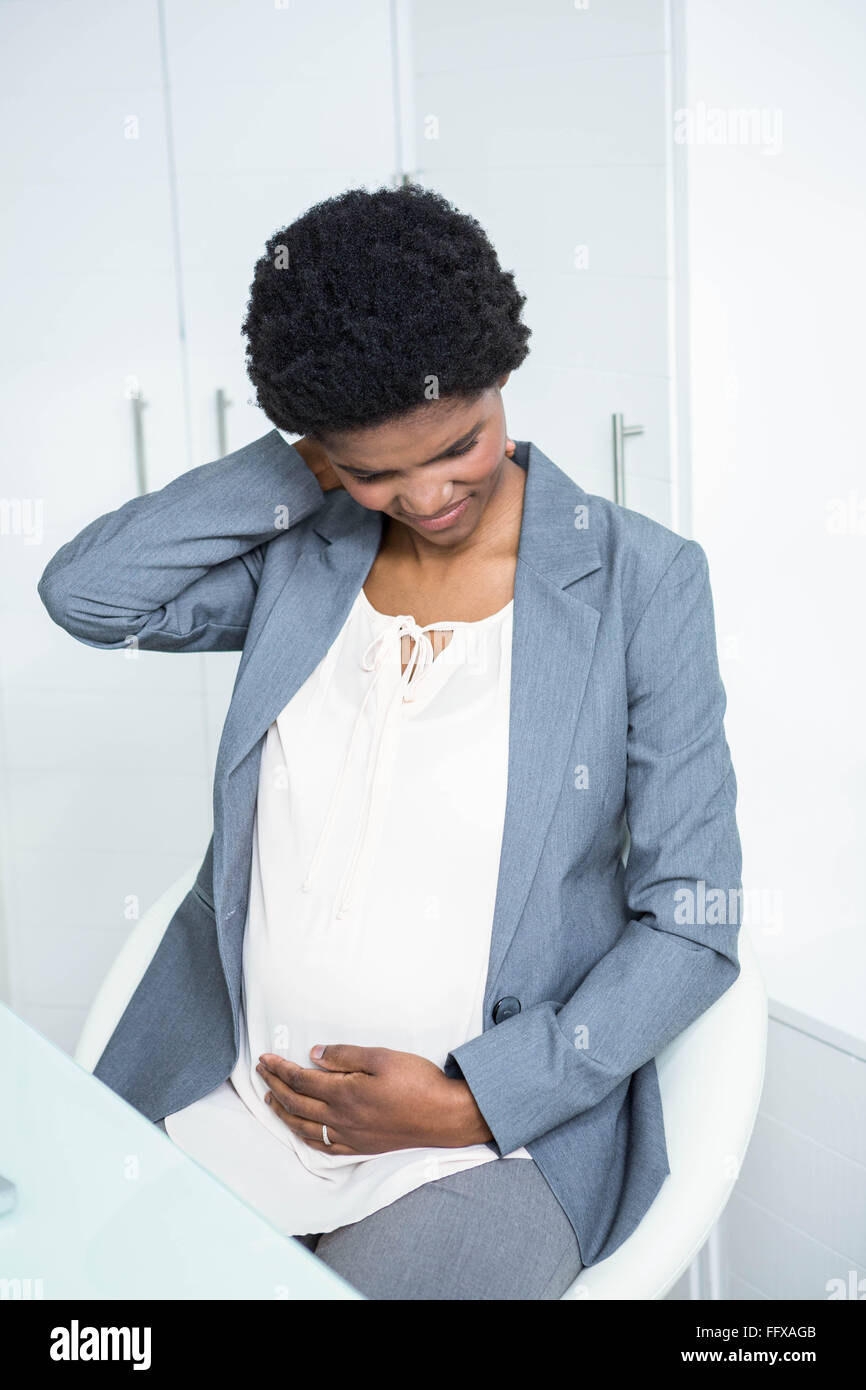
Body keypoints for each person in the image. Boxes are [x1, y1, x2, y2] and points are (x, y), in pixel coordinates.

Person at [37, 185, 742, 1301]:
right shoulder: (302, 558)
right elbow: (86, 592)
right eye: (373, 470)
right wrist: (303, 458)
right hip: (232, 1102)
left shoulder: (637, 582)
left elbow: (691, 922)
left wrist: (471, 1101)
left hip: (477, 1147)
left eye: (459, 443)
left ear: (502, 374)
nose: (425, 496)